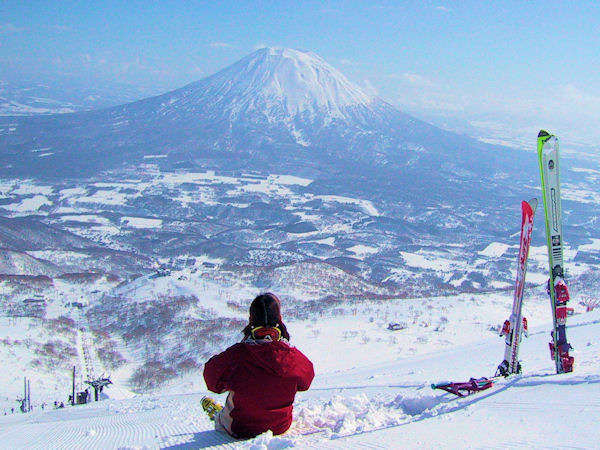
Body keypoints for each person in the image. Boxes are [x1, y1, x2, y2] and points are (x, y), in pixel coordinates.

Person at [203, 293, 314, 439]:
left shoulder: (236, 357)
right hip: (280, 426)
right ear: (280, 320)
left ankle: (220, 416)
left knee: (232, 399)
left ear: (251, 321)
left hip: (242, 428)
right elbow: (304, 383)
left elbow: (213, 382)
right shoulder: (293, 357)